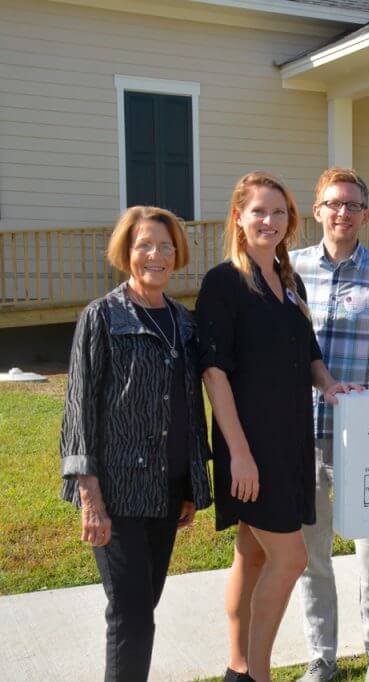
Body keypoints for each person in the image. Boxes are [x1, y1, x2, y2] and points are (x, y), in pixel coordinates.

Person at [195, 172, 359, 682]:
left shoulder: (289, 281)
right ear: (239, 219)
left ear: (291, 221)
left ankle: (237, 667)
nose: (270, 221)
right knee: (289, 558)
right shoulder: (224, 281)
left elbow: (307, 352)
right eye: (259, 211)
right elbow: (213, 371)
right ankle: (258, 675)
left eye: (280, 212)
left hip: (291, 441)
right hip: (250, 445)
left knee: (252, 553)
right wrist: (238, 453)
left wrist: (329, 385)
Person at [60, 205, 212, 681]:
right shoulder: (102, 317)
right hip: (117, 492)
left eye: (165, 246)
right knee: (130, 616)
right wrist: (90, 497)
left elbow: (191, 405)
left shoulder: (184, 323)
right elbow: (78, 410)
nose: (156, 255)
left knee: (144, 606)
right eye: (145, 245)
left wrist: (190, 481)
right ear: (126, 252)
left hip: (166, 491)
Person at [291, 167, 369, 682]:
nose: (343, 213)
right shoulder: (288, 271)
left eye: (353, 205)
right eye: (333, 203)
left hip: (363, 435)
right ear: (317, 211)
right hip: (300, 433)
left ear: (366, 215)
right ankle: (322, 656)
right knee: (312, 552)